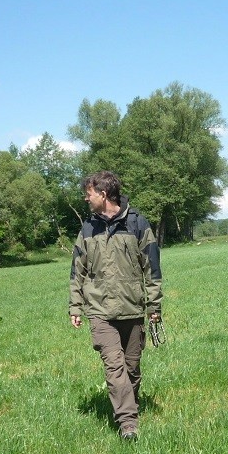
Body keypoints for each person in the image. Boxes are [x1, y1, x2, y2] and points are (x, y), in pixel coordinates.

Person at [69, 171, 162, 440]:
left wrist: (154, 306)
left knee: (132, 368)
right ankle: (128, 423)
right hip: (100, 312)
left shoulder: (137, 224)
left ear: (103, 194)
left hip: (133, 309)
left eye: (88, 193)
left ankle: (128, 404)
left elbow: (152, 268)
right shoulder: (87, 228)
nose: (86, 198)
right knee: (115, 367)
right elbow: (77, 271)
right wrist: (76, 306)